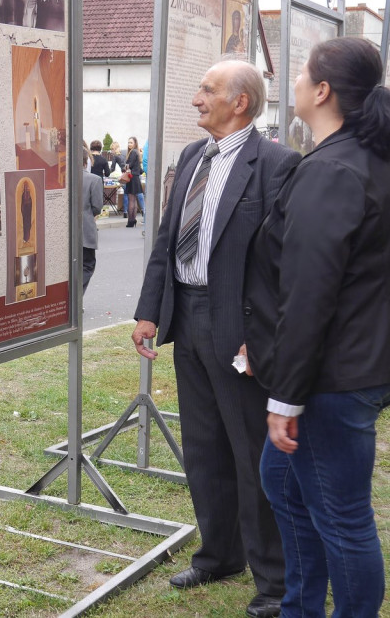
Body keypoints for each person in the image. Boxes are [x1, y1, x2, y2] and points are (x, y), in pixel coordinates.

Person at [241, 37, 390, 617]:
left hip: (336, 376)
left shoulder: (334, 169)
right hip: (359, 360)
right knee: (282, 482)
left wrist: (287, 398)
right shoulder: (371, 159)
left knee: (344, 520)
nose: (294, 81)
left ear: (322, 91)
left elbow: (310, 295)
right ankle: (301, 607)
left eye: (301, 74)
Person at [131, 59, 300, 618]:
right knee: (203, 448)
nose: (197, 98)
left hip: (239, 332)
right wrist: (150, 310)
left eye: (207, 89)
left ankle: (273, 583)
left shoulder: (276, 164)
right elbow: (166, 240)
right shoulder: (190, 156)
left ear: (241, 103)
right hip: (188, 320)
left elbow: (283, 266)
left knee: (252, 453)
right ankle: (218, 556)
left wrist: (260, 338)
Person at [82, 143, 103, 292]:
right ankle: (75, 299)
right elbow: (97, 207)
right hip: (85, 230)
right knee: (87, 265)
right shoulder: (94, 180)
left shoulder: (63, 178)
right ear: (86, 161)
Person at [123, 136, 143, 227]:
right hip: (135, 177)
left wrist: (124, 167)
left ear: (135, 143)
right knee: (134, 200)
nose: (129, 144)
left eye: (131, 142)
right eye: (128, 142)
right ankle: (133, 219)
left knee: (131, 200)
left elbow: (129, 165)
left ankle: (130, 221)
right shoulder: (137, 152)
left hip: (132, 177)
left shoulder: (133, 152)